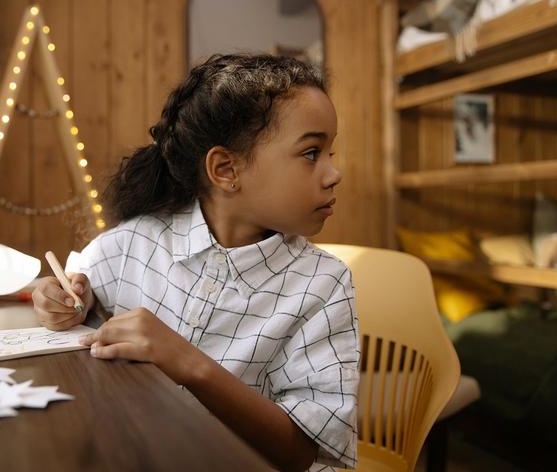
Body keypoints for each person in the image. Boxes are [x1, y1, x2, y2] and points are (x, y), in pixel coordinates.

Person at [32, 54, 359, 471]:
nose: (334, 173)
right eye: (312, 153)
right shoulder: (137, 240)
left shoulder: (323, 284)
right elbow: (69, 292)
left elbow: (305, 453)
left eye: (330, 151)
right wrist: (56, 300)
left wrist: (189, 363)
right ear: (225, 169)